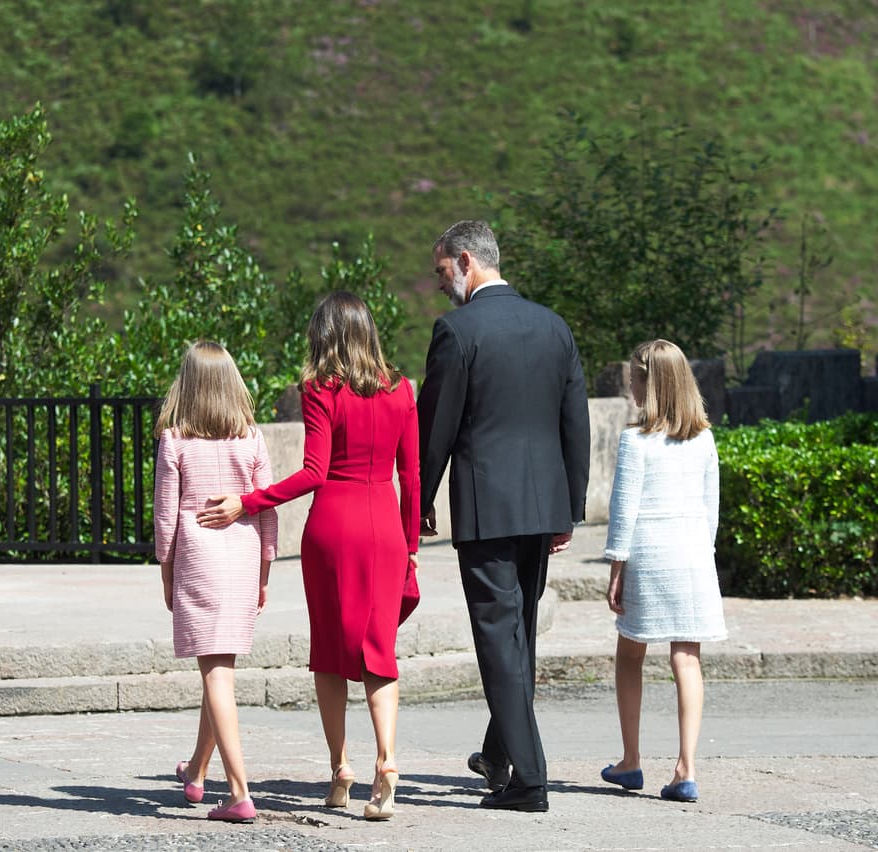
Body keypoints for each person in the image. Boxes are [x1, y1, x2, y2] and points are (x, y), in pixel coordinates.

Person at [197, 291, 420, 821]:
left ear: (324, 335)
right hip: (386, 526)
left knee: (329, 653)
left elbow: (314, 472)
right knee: (377, 648)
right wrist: (411, 546)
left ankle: (340, 767)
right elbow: (410, 476)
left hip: (334, 528)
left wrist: (247, 502)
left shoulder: (320, 388)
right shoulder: (403, 388)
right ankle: (386, 762)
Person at [417, 220, 590, 813]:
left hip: (487, 508)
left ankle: (529, 780)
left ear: (466, 261)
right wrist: (571, 506)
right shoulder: (554, 326)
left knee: (498, 637)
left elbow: (434, 428)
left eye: (443, 272)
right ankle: (499, 754)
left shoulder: (457, 331)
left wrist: (419, 502)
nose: (440, 285)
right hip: (543, 506)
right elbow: (575, 422)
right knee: (519, 634)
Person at [154, 341, 278, 824]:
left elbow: (166, 518)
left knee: (215, 673)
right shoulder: (251, 436)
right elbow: (266, 510)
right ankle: (198, 773)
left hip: (200, 561)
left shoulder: (176, 439)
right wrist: (265, 570)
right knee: (220, 666)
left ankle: (239, 792)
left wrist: (166, 573)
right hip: (243, 559)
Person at [601, 339, 726, 804]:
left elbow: (624, 508)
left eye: (634, 378)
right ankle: (686, 768)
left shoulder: (635, 440)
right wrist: (703, 552)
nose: (631, 385)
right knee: (686, 658)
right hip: (693, 555)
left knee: (630, 653)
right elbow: (710, 508)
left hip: (649, 555)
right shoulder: (704, 438)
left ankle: (631, 760)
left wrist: (616, 565)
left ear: (647, 384)